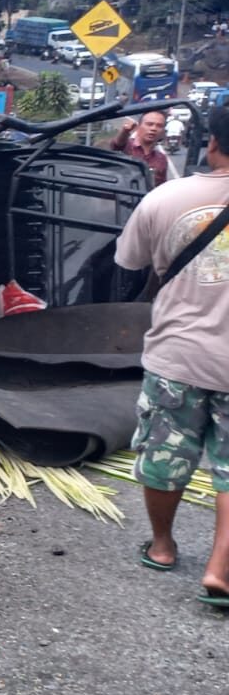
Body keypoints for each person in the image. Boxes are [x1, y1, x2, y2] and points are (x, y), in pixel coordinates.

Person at [116, 105, 229, 608]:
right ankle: (220, 567)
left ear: (211, 144)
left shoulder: (167, 198)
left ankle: (162, 547)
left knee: (165, 456)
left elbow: (128, 263)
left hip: (177, 356)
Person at [108, 110, 170, 188]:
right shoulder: (127, 146)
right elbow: (117, 145)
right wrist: (125, 131)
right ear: (139, 126)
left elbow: (161, 188)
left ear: (163, 131)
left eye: (159, 126)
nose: (153, 128)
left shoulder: (161, 158)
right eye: (149, 124)